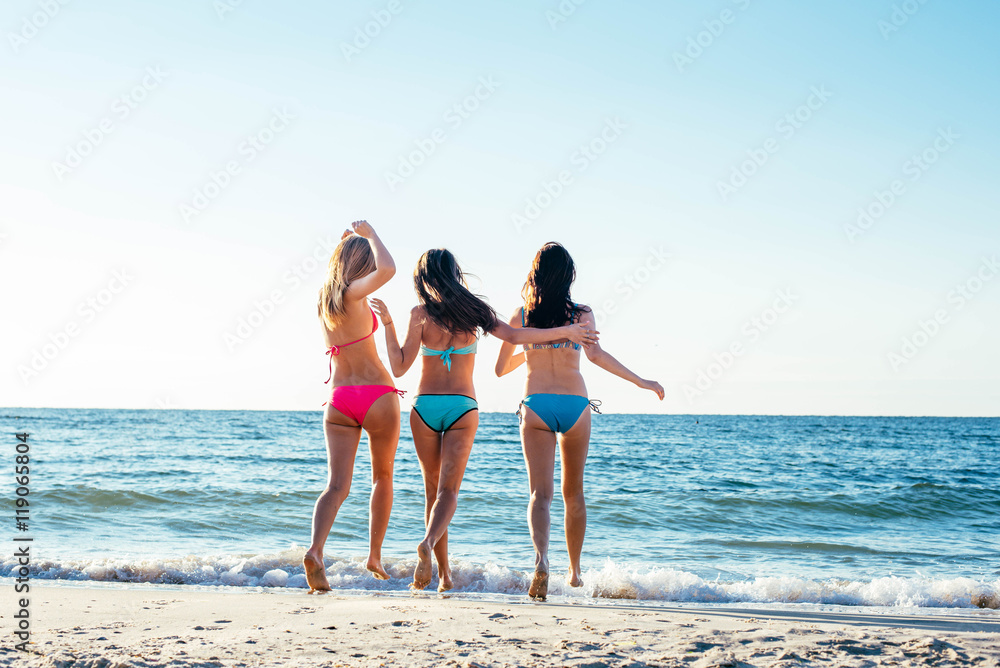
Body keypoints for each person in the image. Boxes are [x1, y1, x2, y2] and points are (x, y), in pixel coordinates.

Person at [370, 248, 598, 591]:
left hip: (424, 405)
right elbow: (517, 336)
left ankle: (442, 573)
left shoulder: (419, 314)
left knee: (431, 491)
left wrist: (387, 324)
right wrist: (563, 334)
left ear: (423, 279)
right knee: (449, 491)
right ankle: (429, 545)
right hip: (463, 405)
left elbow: (400, 366)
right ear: (455, 273)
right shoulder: (475, 310)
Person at [495, 242, 664, 601]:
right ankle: (573, 571)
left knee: (540, 495)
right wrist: (642, 382)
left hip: (536, 403)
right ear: (568, 275)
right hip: (575, 404)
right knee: (574, 493)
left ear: (535, 273)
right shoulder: (581, 314)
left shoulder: (521, 316)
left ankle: (541, 561)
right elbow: (598, 356)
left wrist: (530, 348)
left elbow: (499, 369)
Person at [304, 220, 404, 592]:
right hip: (377, 395)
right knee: (382, 477)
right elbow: (389, 269)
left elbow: (340, 274)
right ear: (362, 266)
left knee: (336, 485)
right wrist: (372, 234)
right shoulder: (355, 296)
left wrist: (345, 247)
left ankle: (316, 550)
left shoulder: (324, 301)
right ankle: (374, 555)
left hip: (339, 400)